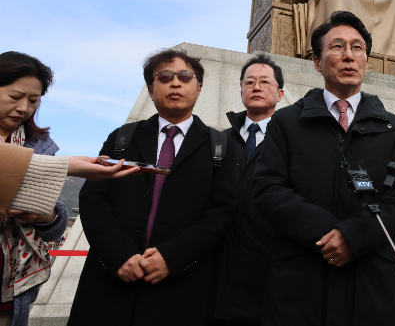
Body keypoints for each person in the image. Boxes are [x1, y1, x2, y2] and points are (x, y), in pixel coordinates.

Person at [252, 11, 395, 326]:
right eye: (337, 46)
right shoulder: (287, 122)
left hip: (369, 276)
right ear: (317, 62)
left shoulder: (393, 128)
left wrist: (354, 236)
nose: (348, 56)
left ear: (366, 62)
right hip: (302, 277)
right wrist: (328, 233)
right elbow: (267, 187)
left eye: (358, 48)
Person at [68, 49, 239, 326]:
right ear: (150, 89)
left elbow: (221, 212)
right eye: (165, 77)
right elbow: (93, 199)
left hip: (180, 287)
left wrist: (172, 257)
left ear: (198, 89)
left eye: (185, 77)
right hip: (110, 284)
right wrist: (119, 255)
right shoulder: (122, 138)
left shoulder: (220, 147)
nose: (175, 83)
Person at [209, 54, 284, 326]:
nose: (256, 87)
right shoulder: (219, 141)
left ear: (280, 93)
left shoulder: (290, 142)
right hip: (218, 276)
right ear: (241, 90)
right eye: (249, 82)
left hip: (269, 277)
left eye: (265, 81)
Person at [0, 51, 69, 326]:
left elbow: (54, 226)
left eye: (33, 100)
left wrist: (47, 216)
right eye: (15, 96)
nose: (23, 108)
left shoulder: (39, 146)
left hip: (16, 289)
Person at [0, 144, 138, 217]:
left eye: (33, 101)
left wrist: (50, 218)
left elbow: (56, 220)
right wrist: (65, 165)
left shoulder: (41, 143)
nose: (23, 108)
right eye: (15, 99)